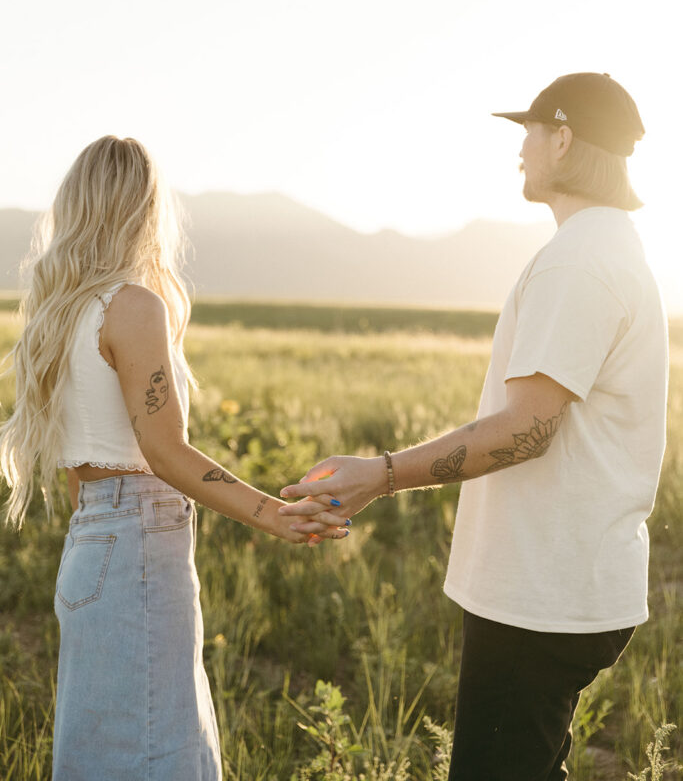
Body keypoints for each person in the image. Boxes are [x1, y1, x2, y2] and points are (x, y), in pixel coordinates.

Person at [278, 73, 669, 781]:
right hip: (564, 584)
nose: (518, 150)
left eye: (527, 132)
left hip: (541, 593)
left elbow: (524, 429)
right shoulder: (611, 247)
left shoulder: (578, 261)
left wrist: (382, 474)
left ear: (561, 137)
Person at [0, 136, 348, 781]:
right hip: (133, 542)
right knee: (160, 755)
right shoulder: (132, 305)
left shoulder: (64, 310)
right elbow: (164, 452)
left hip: (90, 546)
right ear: (145, 209)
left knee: (106, 753)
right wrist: (272, 513)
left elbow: (82, 479)